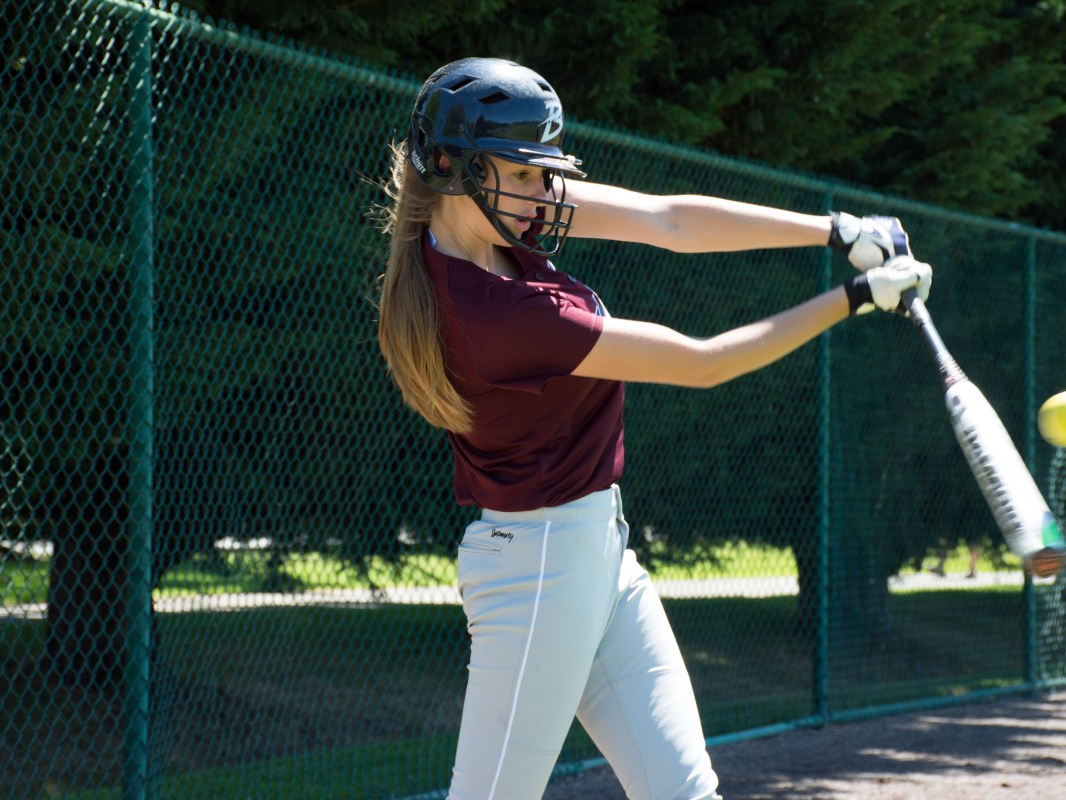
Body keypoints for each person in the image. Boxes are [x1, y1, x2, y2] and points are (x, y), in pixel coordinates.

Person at [374, 56, 932, 800]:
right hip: (538, 577)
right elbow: (705, 362)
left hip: (598, 557)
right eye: (526, 173)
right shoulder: (497, 317)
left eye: (545, 172)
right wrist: (856, 296)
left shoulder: (488, 216)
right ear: (452, 166)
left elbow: (670, 221)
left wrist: (836, 229)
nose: (545, 192)